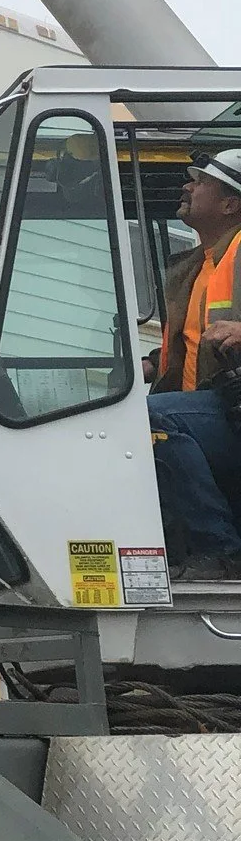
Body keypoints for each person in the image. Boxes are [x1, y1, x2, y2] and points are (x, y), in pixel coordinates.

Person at [149, 149, 241, 580]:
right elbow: (190, 344)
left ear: (230, 203)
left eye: (200, 181)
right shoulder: (196, 267)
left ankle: (220, 549)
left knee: (148, 419)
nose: (187, 187)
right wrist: (150, 368)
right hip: (207, 409)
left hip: (230, 407)